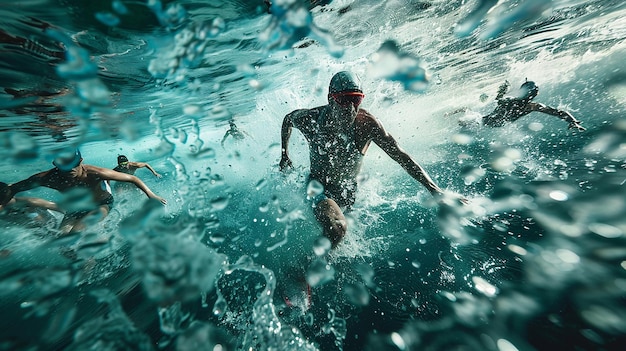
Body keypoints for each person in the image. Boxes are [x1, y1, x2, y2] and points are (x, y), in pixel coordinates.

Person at [279, 71, 454, 249]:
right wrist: (285, 155)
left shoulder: (367, 125)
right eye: (344, 99)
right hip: (317, 187)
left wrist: (434, 190)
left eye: (356, 99)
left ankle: (322, 264)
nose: (350, 107)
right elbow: (287, 120)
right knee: (337, 228)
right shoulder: (311, 119)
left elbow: (401, 157)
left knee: (338, 237)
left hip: (348, 191)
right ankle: (307, 269)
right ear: (331, 99)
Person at [0, 149, 167, 234]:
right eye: (63, 166)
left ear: (80, 160)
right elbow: (14, 187)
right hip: (76, 208)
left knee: (75, 232)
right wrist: (5, 197)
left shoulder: (94, 172)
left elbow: (133, 179)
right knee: (63, 241)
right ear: (55, 165)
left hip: (101, 204)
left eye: (73, 164)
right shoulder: (48, 178)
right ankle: (85, 262)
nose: (69, 170)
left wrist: (151, 195)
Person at [480, 80, 585, 131]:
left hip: (487, 122)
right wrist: (572, 122)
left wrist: (573, 122)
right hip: (487, 122)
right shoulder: (527, 105)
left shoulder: (530, 106)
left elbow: (558, 112)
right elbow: (557, 112)